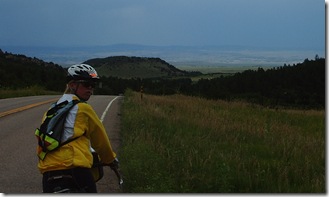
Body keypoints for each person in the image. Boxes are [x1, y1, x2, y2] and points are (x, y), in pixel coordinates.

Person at [37, 63, 119, 193]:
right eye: (86, 85)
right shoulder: (83, 108)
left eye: (93, 86)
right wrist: (110, 159)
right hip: (75, 170)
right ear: (72, 85)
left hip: (49, 174)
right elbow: (100, 141)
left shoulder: (51, 110)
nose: (90, 90)